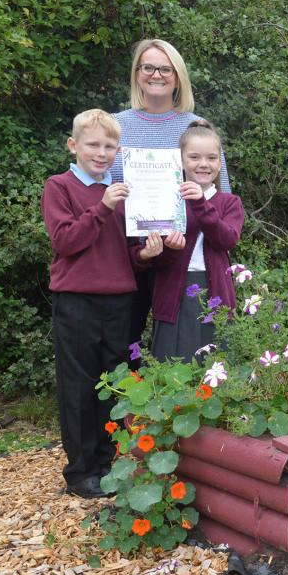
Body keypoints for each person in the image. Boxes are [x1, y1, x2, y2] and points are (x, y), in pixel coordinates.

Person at [42, 109, 166, 498]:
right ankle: (81, 472)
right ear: (73, 145)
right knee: (78, 386)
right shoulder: (60, 186)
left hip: (120, 300)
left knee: (114, 386)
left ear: (119, 150)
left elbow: (127, 254)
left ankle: (108, 462)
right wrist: (103, 206)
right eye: (93, 145)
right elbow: (65, 241)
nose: (101, 153)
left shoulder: (124, 193)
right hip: (77, 299)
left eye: (109, 146)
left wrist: (146, 254)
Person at [108, 39, 232, 363]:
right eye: (148, 67)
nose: (156, 74)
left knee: (180, 344)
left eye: (165, 68)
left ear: (177, 77)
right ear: (137, 74)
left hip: (181, 253)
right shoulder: (115, 126)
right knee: (125, 342)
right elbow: (102, 191)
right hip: (131, 254)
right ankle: (124, 415)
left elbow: (222, 194)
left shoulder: (196, 126)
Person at [148, 120, 244, 361]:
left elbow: (227, 239)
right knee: (173, 364)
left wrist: (200, 203)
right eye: (194, 157)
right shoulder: (165, 199)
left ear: (220, 162)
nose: (203, 164)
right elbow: (159, 260)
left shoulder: (230, 202)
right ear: (180, 160)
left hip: (216, 290)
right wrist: (166, 248)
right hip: (174, 291)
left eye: (212, 158)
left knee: (215, 366)